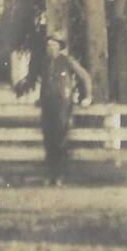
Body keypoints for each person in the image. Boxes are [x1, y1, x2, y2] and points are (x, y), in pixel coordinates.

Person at [18, 34, 92, 186]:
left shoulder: (67, 61)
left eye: (54, 45)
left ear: (60, 47)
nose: (51, 48)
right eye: (49, 45)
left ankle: (60, 176)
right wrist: (40, 98)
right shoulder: (44, 62)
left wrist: (88, 96)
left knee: (60, 140)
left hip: (62, 106)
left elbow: (85, 77)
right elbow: (42, 82)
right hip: (47, 105)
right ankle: (50, 174)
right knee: (48, 140)